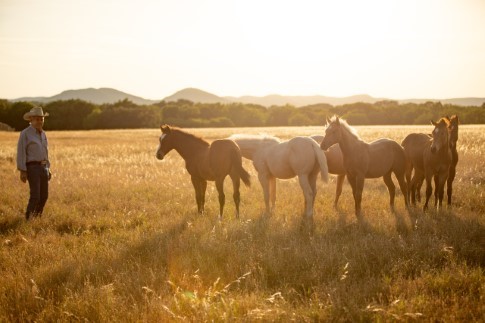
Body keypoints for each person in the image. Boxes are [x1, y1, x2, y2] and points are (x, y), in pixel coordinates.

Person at [16, 106, 52, 220]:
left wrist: (48, 167)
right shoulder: (25, 134)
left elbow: (45, 151)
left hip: (43, 167)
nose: (40, 121)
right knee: (35, 196)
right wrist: (22, 170)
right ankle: (28, 219)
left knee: (44, 196)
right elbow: (21, 152)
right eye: (37, 119)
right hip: (32, 168)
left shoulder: (43, 134)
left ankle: (37, 217)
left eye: (41, 119)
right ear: (30, 119)